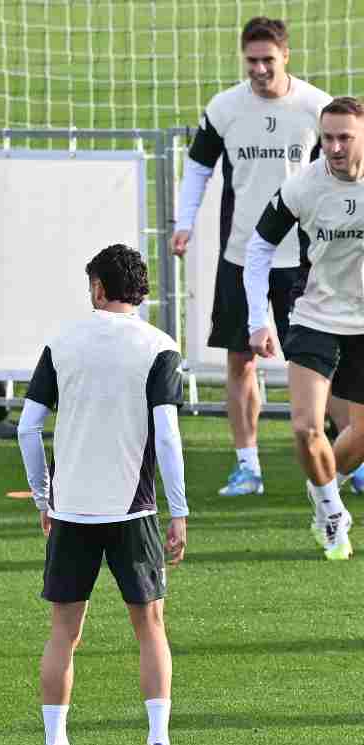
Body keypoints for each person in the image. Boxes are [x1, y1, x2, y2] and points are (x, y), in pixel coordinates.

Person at [17, 244, 189, 745]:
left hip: (72, 512)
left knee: (63, 631)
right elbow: (168, 435)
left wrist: (45, 498)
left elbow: (27, 429)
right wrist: (178, 511)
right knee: (151, 626)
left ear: (97, 287)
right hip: (133, 511)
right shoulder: (160, 347)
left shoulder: (61, 341)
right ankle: (158, 743)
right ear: (140, 290)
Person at [171, 16, 336, 497]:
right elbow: (199, 167)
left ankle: (346, 459)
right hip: (242, 256)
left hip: (306, 259)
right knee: (240, 361)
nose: (260, 69)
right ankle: (248, 467)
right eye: (252, 61)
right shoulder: (224, 107)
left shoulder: (315, 106)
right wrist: (184, 223)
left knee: (326, 363)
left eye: (268, 59)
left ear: (286, 55)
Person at [246, 96, 364, 560]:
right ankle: (333, 515)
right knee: (304, 429)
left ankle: (321, 491)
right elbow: (258, 247)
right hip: (314, 317)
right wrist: (258, 320)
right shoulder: (303, 187)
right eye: (327, 137)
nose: (333, 147)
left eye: (344, 138)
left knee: (358, 434)